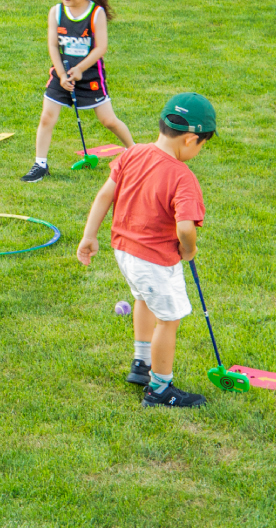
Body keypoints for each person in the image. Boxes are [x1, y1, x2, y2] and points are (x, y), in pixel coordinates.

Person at [77, 93, 216, 408]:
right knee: (169, 319)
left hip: (124, 252)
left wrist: (89, 236)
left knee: (143, 299)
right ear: (191, 139)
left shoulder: (133, 153)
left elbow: (105, 194)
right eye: (202, 145)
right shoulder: (183, 177)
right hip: (155, 261)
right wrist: (189, 249)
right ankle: (159, 389)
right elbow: (185, 228)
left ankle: (141, 363)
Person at [20, 0, 134, 183]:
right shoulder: (56, 12)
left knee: (108, 120)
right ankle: (40, 164)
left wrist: (81, 68)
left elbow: (101, 47)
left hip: (90, 76)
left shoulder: (96, 13)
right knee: (47, 117)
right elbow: (53, 45)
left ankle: (136, 153)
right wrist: (62, 75)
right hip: (61, 74)